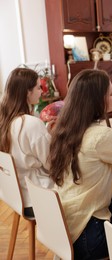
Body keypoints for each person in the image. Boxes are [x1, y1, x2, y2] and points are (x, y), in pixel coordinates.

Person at [48, 69, 112, 259]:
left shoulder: (68, 130)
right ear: (96, 100)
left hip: (66, 226)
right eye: (110, 93)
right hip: (86, 236)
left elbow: (95, 149)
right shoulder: (102, 136)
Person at [0, 67, 54, 217]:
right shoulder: (30, 124)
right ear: (27, 92)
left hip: (18, 197)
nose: (42, 91)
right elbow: (52, 165)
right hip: (39, 198)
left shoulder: (5, 121)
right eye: (38, 87)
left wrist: (45, 134)